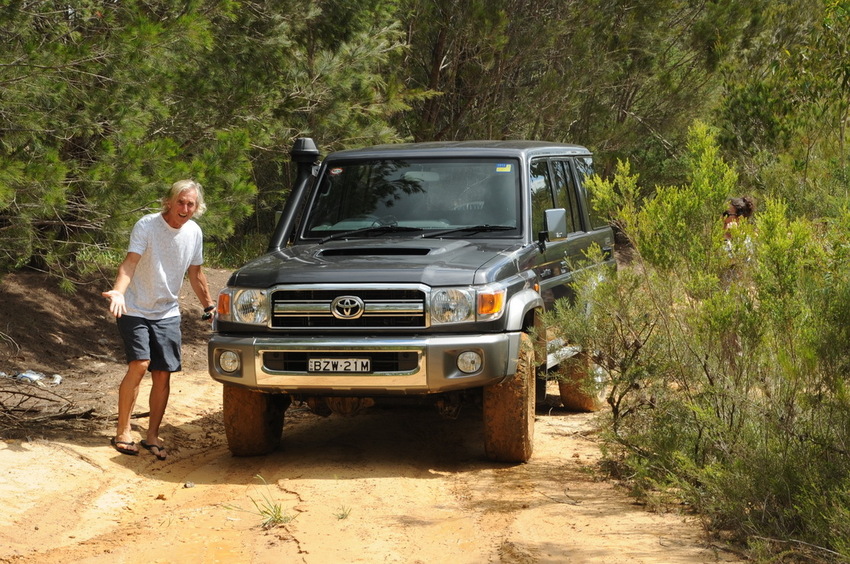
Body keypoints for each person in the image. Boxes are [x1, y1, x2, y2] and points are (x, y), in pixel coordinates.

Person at [102, 179, 216, 460]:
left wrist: (210, 306)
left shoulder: (194, 233)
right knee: (140, 365)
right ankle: (123, 430)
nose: (185, 208)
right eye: (180, 201)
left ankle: (152, 435)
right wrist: (118, 292)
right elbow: (130, 262)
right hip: (135, 307)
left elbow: (196, 274)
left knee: (163, 373)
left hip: (167, 312)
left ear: (197, 208)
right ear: (169, 202)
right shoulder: (147, 225)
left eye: (191, 204)